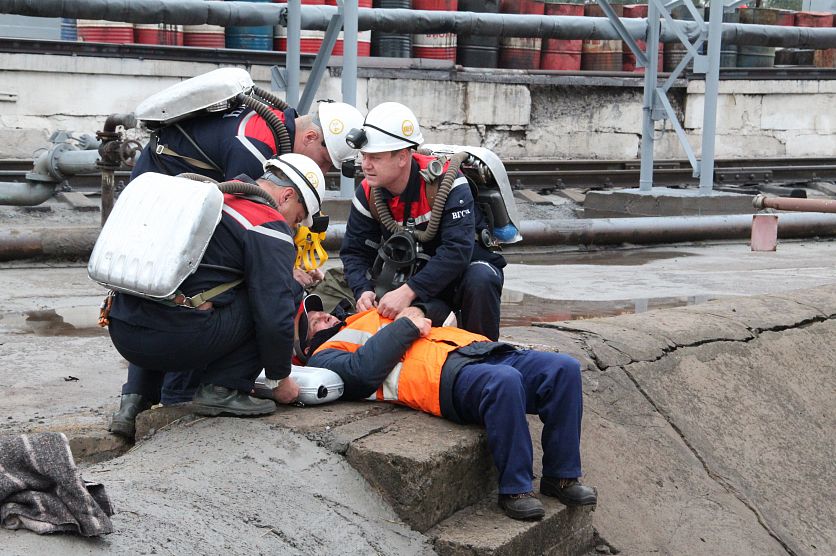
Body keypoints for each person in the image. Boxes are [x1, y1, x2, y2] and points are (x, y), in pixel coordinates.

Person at [299, 295, 598, 521]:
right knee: (505, 382)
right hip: (441, 377)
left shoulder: (365, 314)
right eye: (314, 322)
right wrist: (407, 324)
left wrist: (418, 308)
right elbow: (362, 373)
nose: (323, 315)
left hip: (475, 348)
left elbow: (440, 306)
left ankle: (561, 476)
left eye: (319, 311)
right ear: (306, 346)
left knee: (564, 369)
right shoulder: (322, 357)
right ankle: (515, 489)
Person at [108, 154, 326, 437]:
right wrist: (280, 379)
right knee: (284, 292)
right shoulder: (267, 224)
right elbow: (274, 316)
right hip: (172, 339)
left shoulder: (208, 196)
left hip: (123, 331)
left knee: (157, 294)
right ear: (287, 196)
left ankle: (133, 401)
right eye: (297, 218)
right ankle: (223, 389)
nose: (294, 228)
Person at [340, 102, 506, 341]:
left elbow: (457, 251)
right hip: (416, 280)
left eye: (375, 157)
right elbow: (354, 252)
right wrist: (362, 290)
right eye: (364, 156)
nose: (366, 165)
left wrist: (409, 292)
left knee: (481, 279)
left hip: (460, 278)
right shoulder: (367, 194)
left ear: (402, 157)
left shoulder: (448, 184)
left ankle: (485, 352)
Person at [132, 98, 363, 181]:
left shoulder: (275, 119)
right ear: (310, 136)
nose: (322, 172)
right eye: (324, 161)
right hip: (158, 181)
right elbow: (240, 224)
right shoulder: (255, 151)